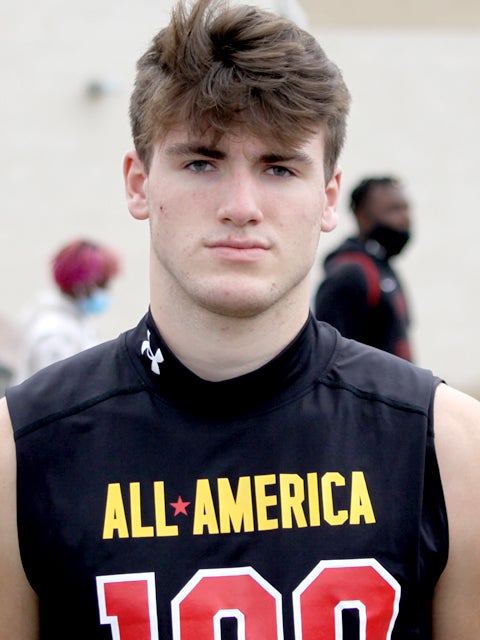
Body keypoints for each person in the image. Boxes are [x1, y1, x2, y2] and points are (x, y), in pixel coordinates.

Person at [0, 0, 479, 638]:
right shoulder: (20, 451)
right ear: (139, 183)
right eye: (202, 162)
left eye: (279, 167)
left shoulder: (448, 446)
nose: (241, 206)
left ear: (328, 197)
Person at [314, 176, 414, 360]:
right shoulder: (350, 274)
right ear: (362, 217)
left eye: (405, 208)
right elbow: (329, 357)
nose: (404, 219)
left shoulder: (383, 266)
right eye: (393, 210)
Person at [12, 238, 120, 383]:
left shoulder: (75, 321)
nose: (106, 291)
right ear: (83, 285)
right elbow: (55, 390)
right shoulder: (54, 334)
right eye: (103, 285)